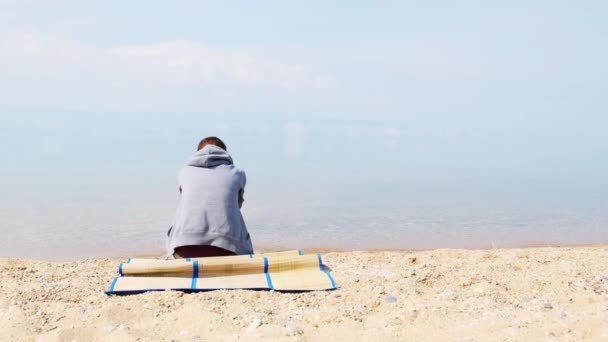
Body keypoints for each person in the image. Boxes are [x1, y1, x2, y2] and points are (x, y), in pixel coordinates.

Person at [165, 137, 253, 258]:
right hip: (227, 249)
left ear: (197, 153)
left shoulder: (184, 173)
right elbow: (237, 206)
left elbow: (184, 201)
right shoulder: (237, 174)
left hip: (182, 247)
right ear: (225, 153)